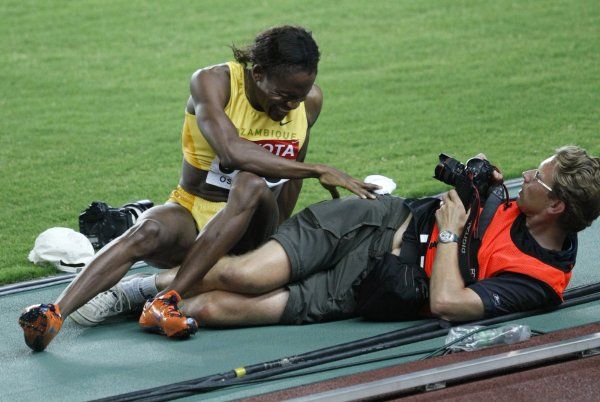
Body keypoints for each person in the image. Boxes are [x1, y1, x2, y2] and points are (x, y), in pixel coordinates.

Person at [18, 25, 379, 352]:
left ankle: (165, 298)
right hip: (194, 209)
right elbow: (231, 151)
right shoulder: (213, 83)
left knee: (251, 183)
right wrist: (318, 169)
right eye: (284, 96)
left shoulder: (307, 101)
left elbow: (290, 177)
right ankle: (53, 313)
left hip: (253, 220)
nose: (290, 108)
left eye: (298, 98)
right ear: (259, 74)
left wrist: (280, 237)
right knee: (150, 227)